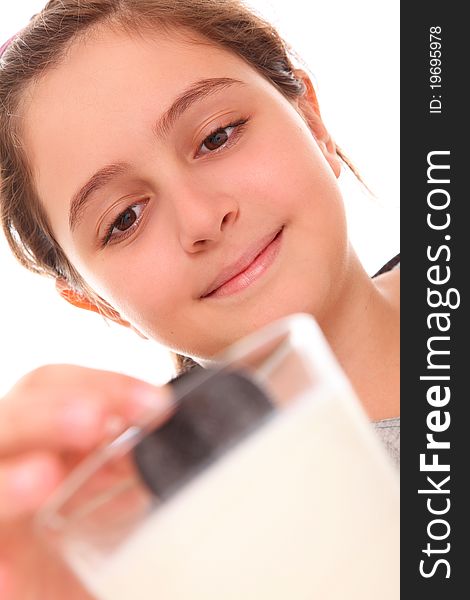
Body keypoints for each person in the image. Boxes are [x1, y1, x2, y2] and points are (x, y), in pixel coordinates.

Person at [0, 0, 399, 597]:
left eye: (217, 136)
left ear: (312, 120)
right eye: (125, 218)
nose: (201, 218)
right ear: (96, 303)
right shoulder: (178, 559)